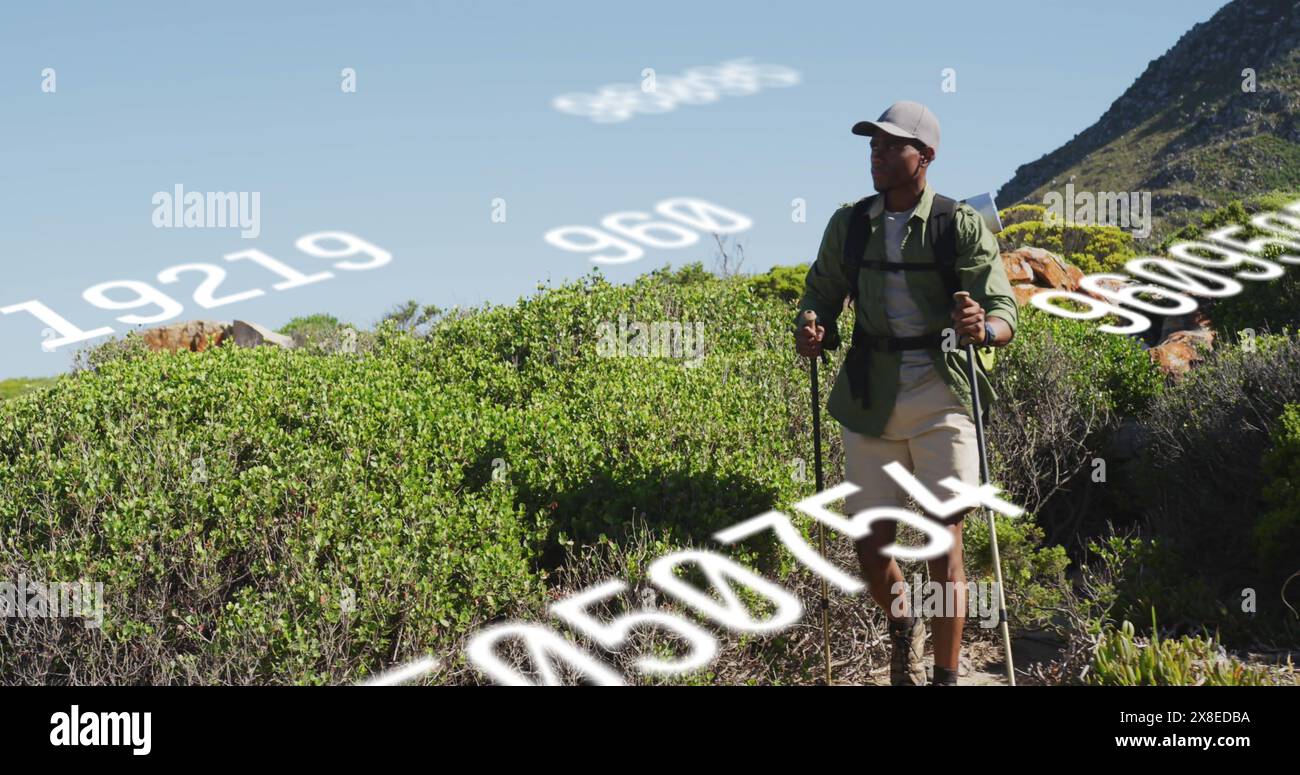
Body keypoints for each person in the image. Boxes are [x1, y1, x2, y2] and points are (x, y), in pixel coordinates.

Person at [793, 101, 1018, 685]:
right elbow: (821, 292)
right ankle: (904, 625)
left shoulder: (957, 224)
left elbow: (1002, 313)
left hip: (942, 390)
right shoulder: (849, 224)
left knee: (945, 539)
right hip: (871, 392)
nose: (878, 153)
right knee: (870, 547)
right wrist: (814, 326)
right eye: (874, 144)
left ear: (926, 156)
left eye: (893, 145)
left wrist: (983, 330)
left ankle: (944, 676)